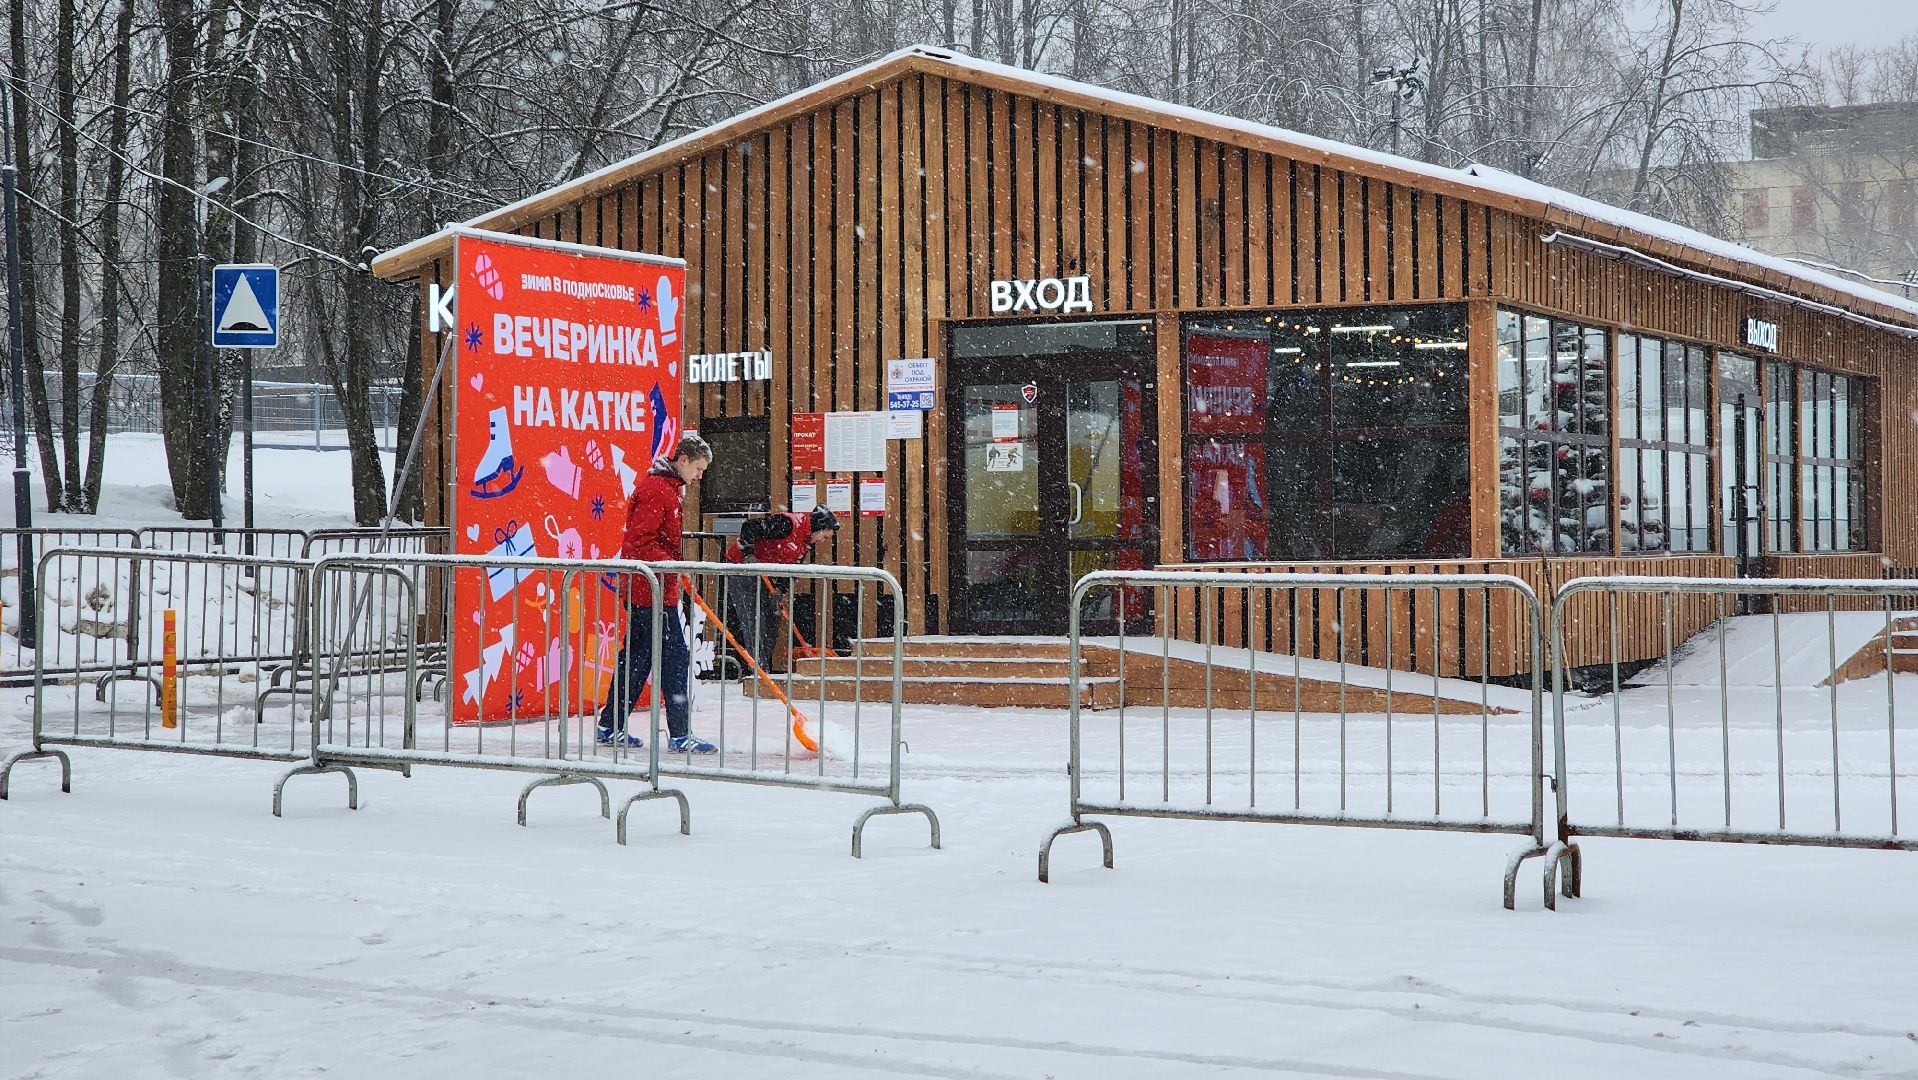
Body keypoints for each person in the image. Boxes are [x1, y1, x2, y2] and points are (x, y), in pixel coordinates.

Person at [597, 433, 718, 753]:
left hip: (651, 589)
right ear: (683, 460)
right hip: (649, 592)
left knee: (636, 660)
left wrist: (673, 565)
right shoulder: (656, 491)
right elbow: (641, 543)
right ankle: (679, 733)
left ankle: (610, 725)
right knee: (674, 658)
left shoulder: (665, 489)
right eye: (699, 469)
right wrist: (673, 565)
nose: (699, 476)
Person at [723, 506, 840, 671]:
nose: (823, 540)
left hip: (764, 575)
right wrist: (749, 554)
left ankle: (761, 666)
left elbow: (792, 569)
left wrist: (780, 589)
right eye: (825, 536)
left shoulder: (804, 542)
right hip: (741, 568)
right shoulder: (787, 524)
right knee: (755, 619)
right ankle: (758, 670)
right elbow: (749, 527)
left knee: (772, 619)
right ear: (818, 526)